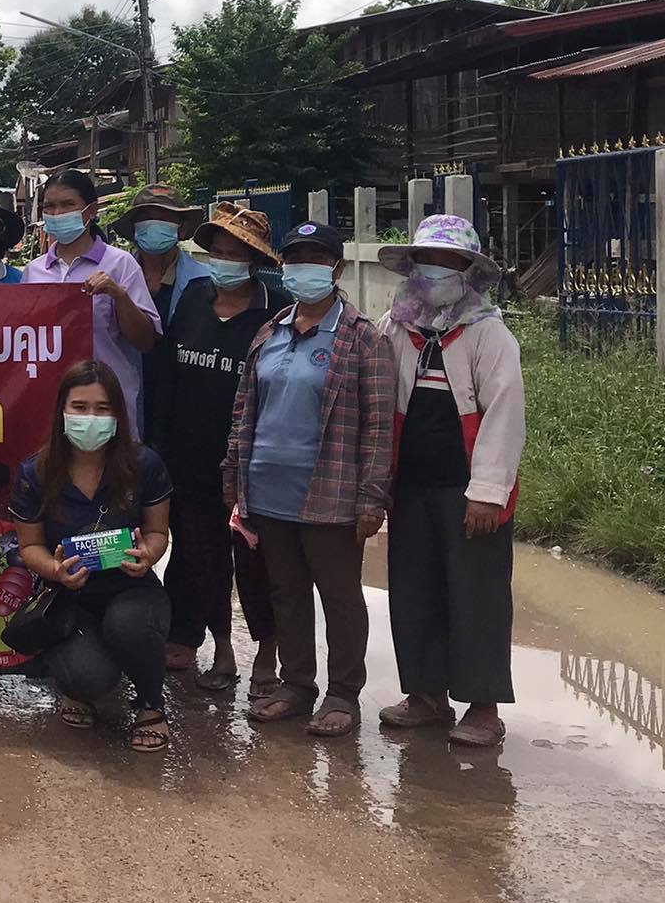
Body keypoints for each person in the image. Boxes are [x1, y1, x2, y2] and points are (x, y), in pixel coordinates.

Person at [224, 221, 394, 738]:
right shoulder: (269, 332)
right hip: (268, 491)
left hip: (331, 494)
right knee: (287, 591)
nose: (304, 269)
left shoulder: (362, 338)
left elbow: (379, 425)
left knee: (340, 597)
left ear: (336, 269)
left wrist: (372, 497)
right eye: (295, 260)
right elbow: (244, 411)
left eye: (316, 260)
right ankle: (297, 685)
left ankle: (343, 694)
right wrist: (234, 478)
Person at [376, 215, 525, 748]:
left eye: (448, 263)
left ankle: (483, 707)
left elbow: (504, 414)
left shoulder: (488, 333)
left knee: (477, 595)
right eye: (427, 261)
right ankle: (425, 696)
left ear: (468, 272)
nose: (435, 271)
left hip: (467, 491)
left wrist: (487, 493)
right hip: (410, 486)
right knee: (413, 590)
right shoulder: (395, 326)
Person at [9, 360, 173, 753]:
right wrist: (55, 570)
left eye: (102, 408)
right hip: (68, 599)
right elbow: (29, 547)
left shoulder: (144, 465)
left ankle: (151, 704)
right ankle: (79, 685)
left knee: (128, 625)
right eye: (80, 407)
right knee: (86, 677)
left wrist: (147, 555)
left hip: (132, 590)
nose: (91, 418)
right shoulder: (35, 472)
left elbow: (158, 533)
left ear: (118, 414)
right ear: (62, 412)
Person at [156, 203, 282, 693]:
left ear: (255, 261)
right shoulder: (192, 297)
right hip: (189, 460)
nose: (225, 261)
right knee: (202, 561)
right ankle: (223, 650)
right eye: (219, 252)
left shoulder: (276, 311)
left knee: (257, 565)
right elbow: (168, 373)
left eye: (237, 253)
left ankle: (268, 652)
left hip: (252, 464)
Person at [20, 169, 160, 437]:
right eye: (50, 206)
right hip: (50, 402)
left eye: (68, 204)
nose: (58, 213)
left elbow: (145, 340)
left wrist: (119, 296)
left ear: (91, 210)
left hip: (108, 404)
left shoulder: (120, 264)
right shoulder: (33, 271)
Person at [123, 183, 211, 324]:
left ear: (182, 228)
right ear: (134, 228)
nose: (154, 225)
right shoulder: (117, 275)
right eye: (146, 218)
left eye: (164, 218)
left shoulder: (205, 281)